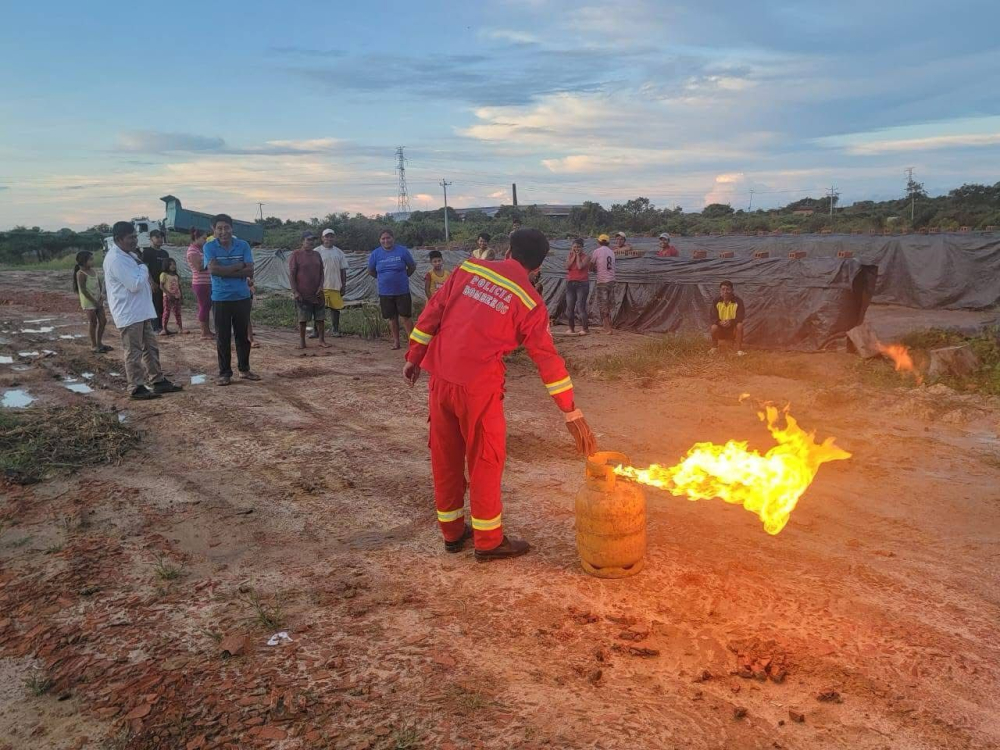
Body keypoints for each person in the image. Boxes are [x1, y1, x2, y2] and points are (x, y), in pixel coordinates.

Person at [403, 228, 598, 560]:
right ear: (538, 267)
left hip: (441, 379)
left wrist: (414, 356)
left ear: (508, 250)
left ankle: (452, 534)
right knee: (484, 460)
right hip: (478, 388)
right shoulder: (529, 301)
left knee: (445, 455)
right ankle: (488, 541)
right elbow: (546, 358)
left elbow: (432, 312)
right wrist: (569, 411)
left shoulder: (468, 269)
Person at [103, 221, 183, 400]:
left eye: (135, 237)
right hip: (129, 312)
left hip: (141, 310)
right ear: (118, 239)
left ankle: (157, 380)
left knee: (150, 348)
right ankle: (136, 386)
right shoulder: (115, 259)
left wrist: (140, 267)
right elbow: (134, 284)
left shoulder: (129, 255)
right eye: (130, 238)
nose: (134, 241)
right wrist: (143, 268)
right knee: (133, 351)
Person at [203, 214, 260, 385]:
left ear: (231, 228)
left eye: (226, 227)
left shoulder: (243, 245)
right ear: (214, 230)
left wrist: (225, 269)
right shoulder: (209, 247)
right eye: (219, 228)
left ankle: (244, 369)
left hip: (242, 297)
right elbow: (214, 271)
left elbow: (249, 271)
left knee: (242, 336)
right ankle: (225, 373)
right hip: (220, 298)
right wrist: (237, 266)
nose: (223, 231)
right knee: (223, 337)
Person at [367, 228, 416, 350]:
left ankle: (413, 342)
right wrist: (383, 278)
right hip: (385, 291)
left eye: (388, 238)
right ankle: (396, 342)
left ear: (393, 238)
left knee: (406, 317)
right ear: (380, 240)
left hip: (402, 290)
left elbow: (412, 266)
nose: (386, 240)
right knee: (392, 318)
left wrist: (403, 277)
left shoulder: (402, 251)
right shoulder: (375, 254)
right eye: (383, 238)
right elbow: (371, 271)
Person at [289, 231, 327, 349]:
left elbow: (321, 272)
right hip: (303, 292)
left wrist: (321, 286)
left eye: (312, 240)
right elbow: (292, 274)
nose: (311, 242)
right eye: (308, 240)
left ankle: (321, 340)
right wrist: (295, 291)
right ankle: (302, 342)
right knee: (303, 319)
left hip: (317, 292)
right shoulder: (296, 254)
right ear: (302, 241)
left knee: (320, 318)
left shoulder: (317, 254)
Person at [73, 250, 111, 354]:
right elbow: (83, 290)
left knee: (103, 321)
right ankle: (94, 345)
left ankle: (99, 343)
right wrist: (94, 301)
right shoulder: (80, 274)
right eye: (90, 259)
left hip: (98, 300)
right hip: (89, 302)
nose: (93, 261)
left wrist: (101, 298)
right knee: (93, 323)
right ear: (83, 261)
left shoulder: (93, 271)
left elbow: (99, 285)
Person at [316, 228, 348, 338]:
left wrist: (343, 285)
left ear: (334, 238)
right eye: (326, 236)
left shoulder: (339, 252)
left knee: (335, 309)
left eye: (331, 236)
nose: (329, 238)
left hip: (335, 285)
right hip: (321, 286)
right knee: (318, 309)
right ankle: (316, 331)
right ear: (322, 238)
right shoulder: (316, 252)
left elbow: (343, 270)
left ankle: (335, 330)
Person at [187, 229, 213, 339]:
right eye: (203, 238)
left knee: (207, 306)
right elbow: (199, 267)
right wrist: (212, 261)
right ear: (196, 238)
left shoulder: (200, 250)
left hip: (207, 282)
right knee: (204, 307)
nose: (205, 240)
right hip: (201, 283)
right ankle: (204, 332)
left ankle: (207, 330)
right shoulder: (192, 251)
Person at [143, 229, 170, 332]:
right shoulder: (147, 252)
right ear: (151, 239)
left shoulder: (165, 253)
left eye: (161, 237)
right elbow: (145, 269)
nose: (160, 239)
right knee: (154, 305)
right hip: (153, 283)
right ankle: (155, 327)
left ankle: (163, 326)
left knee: (164, 305)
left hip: (164, 284)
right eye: (157, 237)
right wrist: (151, 282)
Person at [710, 280, 746, 356]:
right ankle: (714, 348)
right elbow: (713, 317)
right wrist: (719, 322)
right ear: (720, 291)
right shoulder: (716, 301)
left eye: (728, 289)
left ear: (732, 290)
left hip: (733, 330)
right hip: (721, 329)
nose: (725, 292)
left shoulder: (738, 301)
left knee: (740, 325)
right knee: (713, 327)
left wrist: (731, 322)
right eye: (723, 289)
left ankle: (738, 350)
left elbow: (741, 316)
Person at [590, 234, 616, 334]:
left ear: (599, 242)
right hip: (612, 280)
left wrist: (594, 268)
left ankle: (608, 328)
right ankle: (607, 326)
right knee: (609, 303)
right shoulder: (612, 252)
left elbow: (591, 266)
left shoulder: (597, 251)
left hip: (602, 281)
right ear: (608, 242)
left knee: (603, 304)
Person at [564, 238, 590, 335]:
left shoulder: (586, 257)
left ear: (582, 247)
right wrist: (574, 256)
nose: (576, 248)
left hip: (582, 284)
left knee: (580, 307)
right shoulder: (570, 255)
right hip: (570, 283)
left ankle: (585, 329)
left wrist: (578, 256)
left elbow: (580, 267)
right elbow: (567, 266)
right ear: (572, 247)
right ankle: (571, 328)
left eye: (578, 247)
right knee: (569, 307)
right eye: (574, 247)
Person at [159, 258, 184, 335]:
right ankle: (164, 328)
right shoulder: (164, 274)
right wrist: (168, 294)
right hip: (167, 297)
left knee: (177, 312)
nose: (173, 266)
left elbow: (179, 287)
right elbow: (161, 286)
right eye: (171, 264)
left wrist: (181, 296)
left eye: (174, 264)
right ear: (166, 265)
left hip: (177, 296)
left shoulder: (176, 276)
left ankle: (180, 328)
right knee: (166, 312)